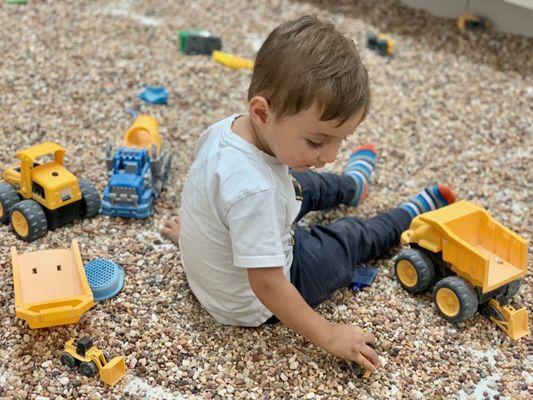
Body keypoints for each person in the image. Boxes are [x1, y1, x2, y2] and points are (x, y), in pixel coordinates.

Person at [162, 15, 455, 372]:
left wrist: (195, 237)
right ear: (262, 112)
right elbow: (268, 285)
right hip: (253, 301)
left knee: (307, 182)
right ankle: (407, 215)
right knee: (346, 238)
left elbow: (206, 192)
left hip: (215, 274)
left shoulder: (227, 131)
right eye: (317, 141)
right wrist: (329, 335)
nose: (330, 154)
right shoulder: (257, 192)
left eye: (339, 141)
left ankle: (352, 186)